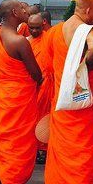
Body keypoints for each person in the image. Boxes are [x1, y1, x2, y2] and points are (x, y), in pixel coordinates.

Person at [44, 0, 93, 184]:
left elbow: (50, 62)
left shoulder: (56, 30)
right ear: (88, 10)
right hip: (82, 100)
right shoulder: (88, 30)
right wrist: (85, 66)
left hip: (62, 98)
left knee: (60, 146)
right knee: (83, 148)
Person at [0, 0, 42, 184]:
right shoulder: (19, 41)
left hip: (0, 94)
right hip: (17, 98)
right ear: (16, 12)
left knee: (3, 139)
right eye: (24, 9)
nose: (27, 11)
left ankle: (2, 179)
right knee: (18, 142)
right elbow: (36, 74)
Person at [26, 13, 54, 165]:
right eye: (31, 28)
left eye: (37, 28)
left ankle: (44, 147)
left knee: (45, 116)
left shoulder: (49, 38)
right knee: (32, 117)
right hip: (32, 85)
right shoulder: (26, 42)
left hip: (47, 84)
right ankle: (34, 147)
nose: (34, 31)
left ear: (43, 25)